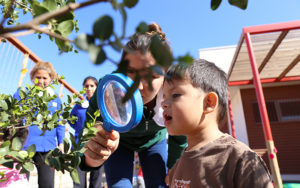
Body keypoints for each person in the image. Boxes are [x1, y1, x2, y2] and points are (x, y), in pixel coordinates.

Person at [84, 23, 187, 187]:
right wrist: (94, 148)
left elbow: (180, 139)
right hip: (120, 143)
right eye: (130, 72)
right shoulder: (106, 89)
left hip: (154, 142)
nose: (138, 86)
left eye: (152, 75)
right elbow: (89, 127)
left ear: (165, 76)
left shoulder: (174, 97)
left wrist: (174, 167)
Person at [161, 59, 273, 187]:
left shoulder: (240, 159)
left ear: (209, 102)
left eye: (175, 95)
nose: (163, 104)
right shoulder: (179, 164)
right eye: (163, 97)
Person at [13, 62, 65, 188]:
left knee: (47, 184)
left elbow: (60, 122)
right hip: (24, 146)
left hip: (47, 148)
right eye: (38, 77)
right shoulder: (23, 92)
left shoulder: (55, 98)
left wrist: (61, 143)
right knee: (19, 183)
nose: (41, 80)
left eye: (45, 78)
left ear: (51, 79)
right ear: (32, 78)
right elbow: (13, 116)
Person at [69, 76, 104, 188]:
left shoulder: (102, 103)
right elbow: (71, 119)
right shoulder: (79, 105)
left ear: (97, 87)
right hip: (79, 145)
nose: (88, 88)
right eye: (86, 86)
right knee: (78, 181)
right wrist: (79, 128)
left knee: (96, 180)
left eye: (92, 86)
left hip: (98, 145)